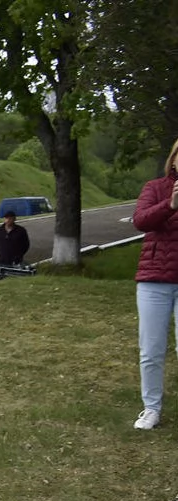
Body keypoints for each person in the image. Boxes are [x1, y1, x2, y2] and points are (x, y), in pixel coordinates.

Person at [131, 137, 178, 430]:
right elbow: (140, 221)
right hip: (154, 281)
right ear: (173, 159)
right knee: (151, 350)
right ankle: (151, 408)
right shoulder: (155, 188)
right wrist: (170, 205)